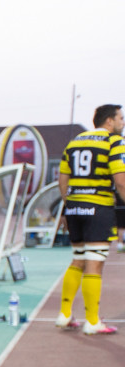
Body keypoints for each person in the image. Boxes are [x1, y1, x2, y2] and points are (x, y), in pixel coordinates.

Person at [57, 104, 125, 335]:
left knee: (78, 259)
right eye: (121, 119)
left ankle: (64, 315)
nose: (122, 124)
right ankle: (92, 321)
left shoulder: (74, 142)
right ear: (109, 121)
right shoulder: (114, 142)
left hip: (75, 207)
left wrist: (68, 206)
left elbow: (62, 178)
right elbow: (121, 180)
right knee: (95, 263)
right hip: (98, 206)